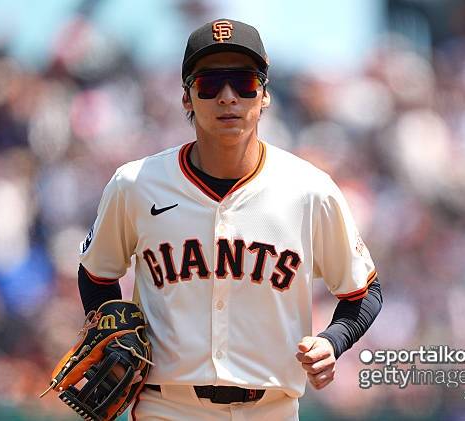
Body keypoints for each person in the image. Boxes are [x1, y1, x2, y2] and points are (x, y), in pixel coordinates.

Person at [77, 18, 383, 421]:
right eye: (209, 83)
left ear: (264, 95)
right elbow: (96, 273)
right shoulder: (136, 184)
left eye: (244, 83)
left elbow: (364, 290)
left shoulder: (309, 190)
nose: (227, 97)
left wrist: (332, 340)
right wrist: (111, 334)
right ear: (186, 97)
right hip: (168, 406)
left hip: (272, 410)